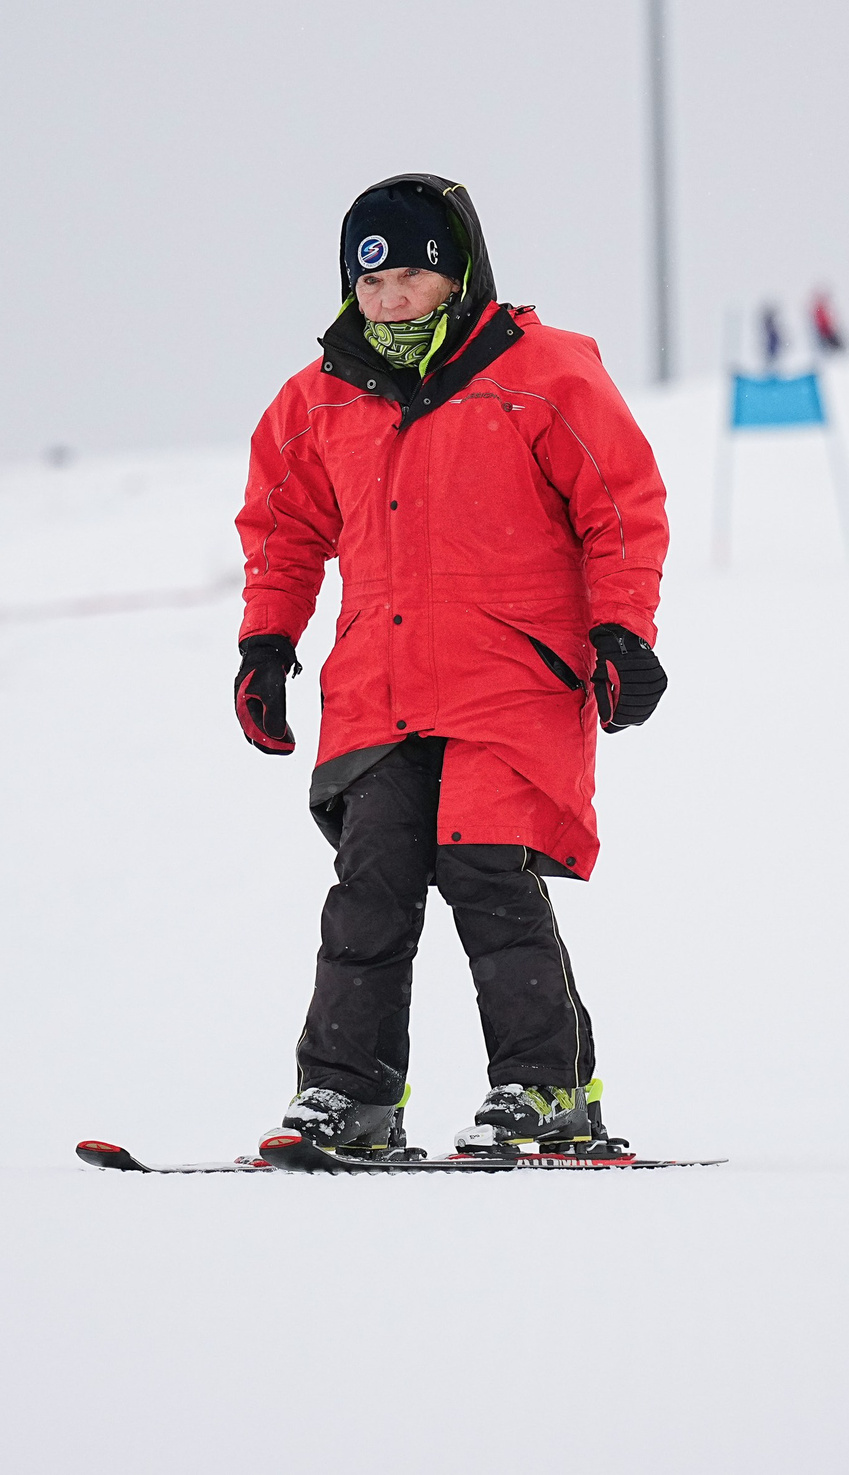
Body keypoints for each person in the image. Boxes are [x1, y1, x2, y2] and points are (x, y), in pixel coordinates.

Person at [232, 174, 671, 1159]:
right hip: (379, 687)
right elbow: (284, 533)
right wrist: (266, 643)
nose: (389, 302)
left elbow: (620, 507)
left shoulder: (542, 375)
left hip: (508, 681)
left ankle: (548, 1091)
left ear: (459, 273)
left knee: (487, 873)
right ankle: (347, 1101)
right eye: (371, 284)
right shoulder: (315, 401)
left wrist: (622, 630)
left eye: (412, 279)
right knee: (370, 885)